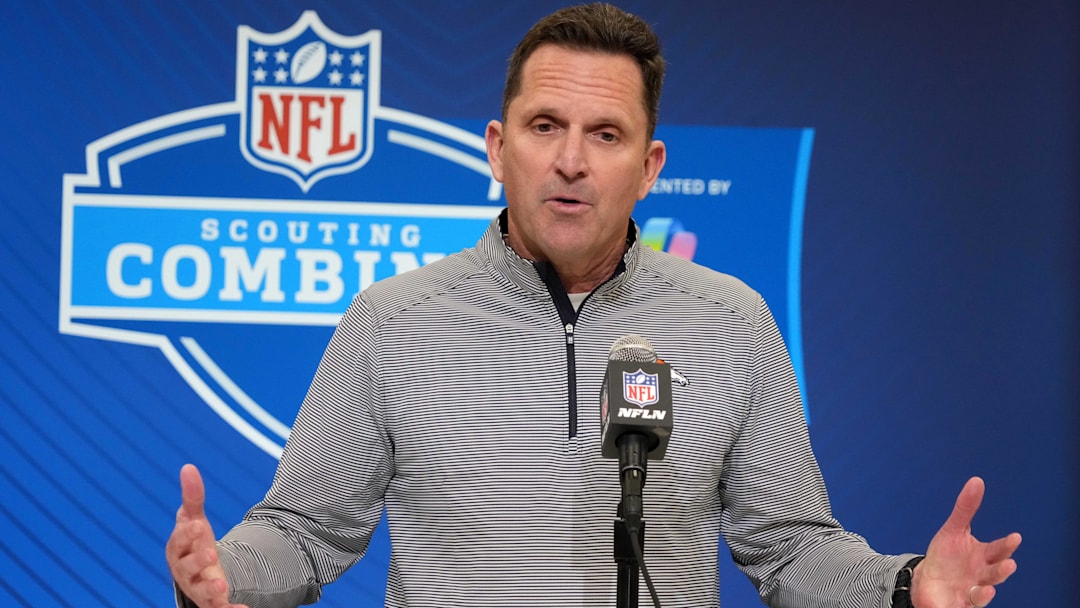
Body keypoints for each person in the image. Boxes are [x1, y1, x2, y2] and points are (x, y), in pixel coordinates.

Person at [166, 4, 1021, 607]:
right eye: (544, 126)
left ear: (649, 168)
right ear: (499, 149)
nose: (570, 160)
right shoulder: (393, 321)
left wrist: (907, 586)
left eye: (604, 135)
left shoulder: (731, 321)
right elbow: (306, 530)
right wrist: (226, 575)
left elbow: (791, 548)